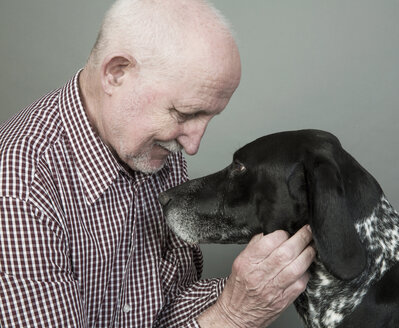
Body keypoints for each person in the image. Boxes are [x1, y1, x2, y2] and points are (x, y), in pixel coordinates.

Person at [0, 0, 315, 327]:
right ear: (116, 73)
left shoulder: (151, 147)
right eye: (185, 113)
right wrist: (233, 316)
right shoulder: (19, 191)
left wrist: (255, 286)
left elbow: (164, 308)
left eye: (209, 117)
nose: (192, 145)